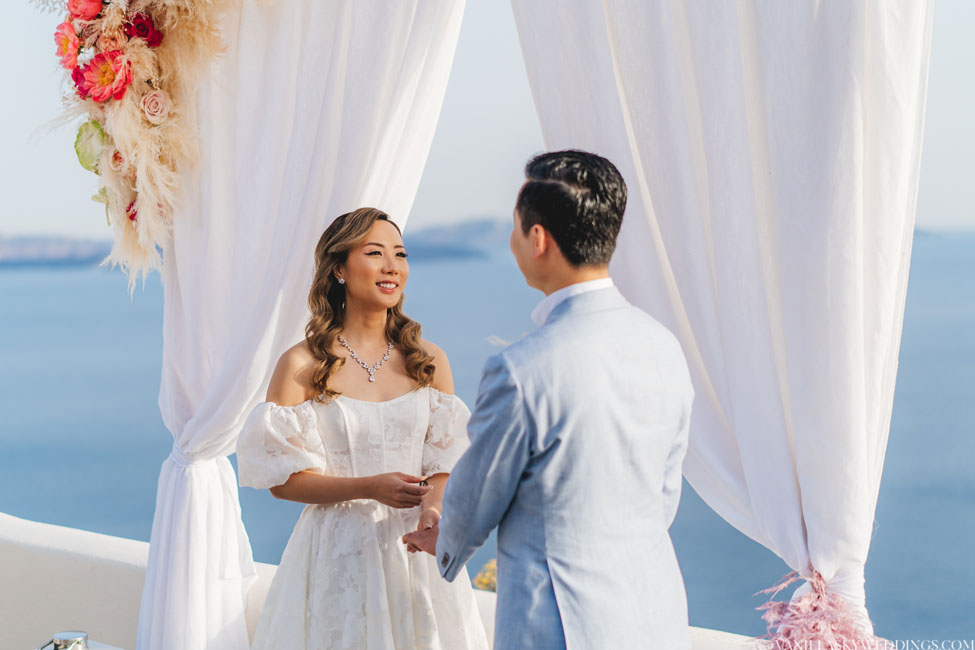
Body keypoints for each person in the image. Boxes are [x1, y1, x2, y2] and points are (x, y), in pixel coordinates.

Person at [403, 150, 695, 649]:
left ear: (538, 239)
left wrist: (446, 541)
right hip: (656, 611)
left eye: (515, 227)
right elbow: (663, 491)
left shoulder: (522, 368)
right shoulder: (663, 345)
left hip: (559, 621)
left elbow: (479, 493)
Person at [236, 207, 489, 650]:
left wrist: (433, 508)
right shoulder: (300, 365)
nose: (392, 266)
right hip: (336, 559)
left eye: (400, 254)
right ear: (338, 268)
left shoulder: (428, 360)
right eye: (375, 253)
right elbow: (283, 482)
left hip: (415, 555)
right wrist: (369, 486)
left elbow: (444, 461)